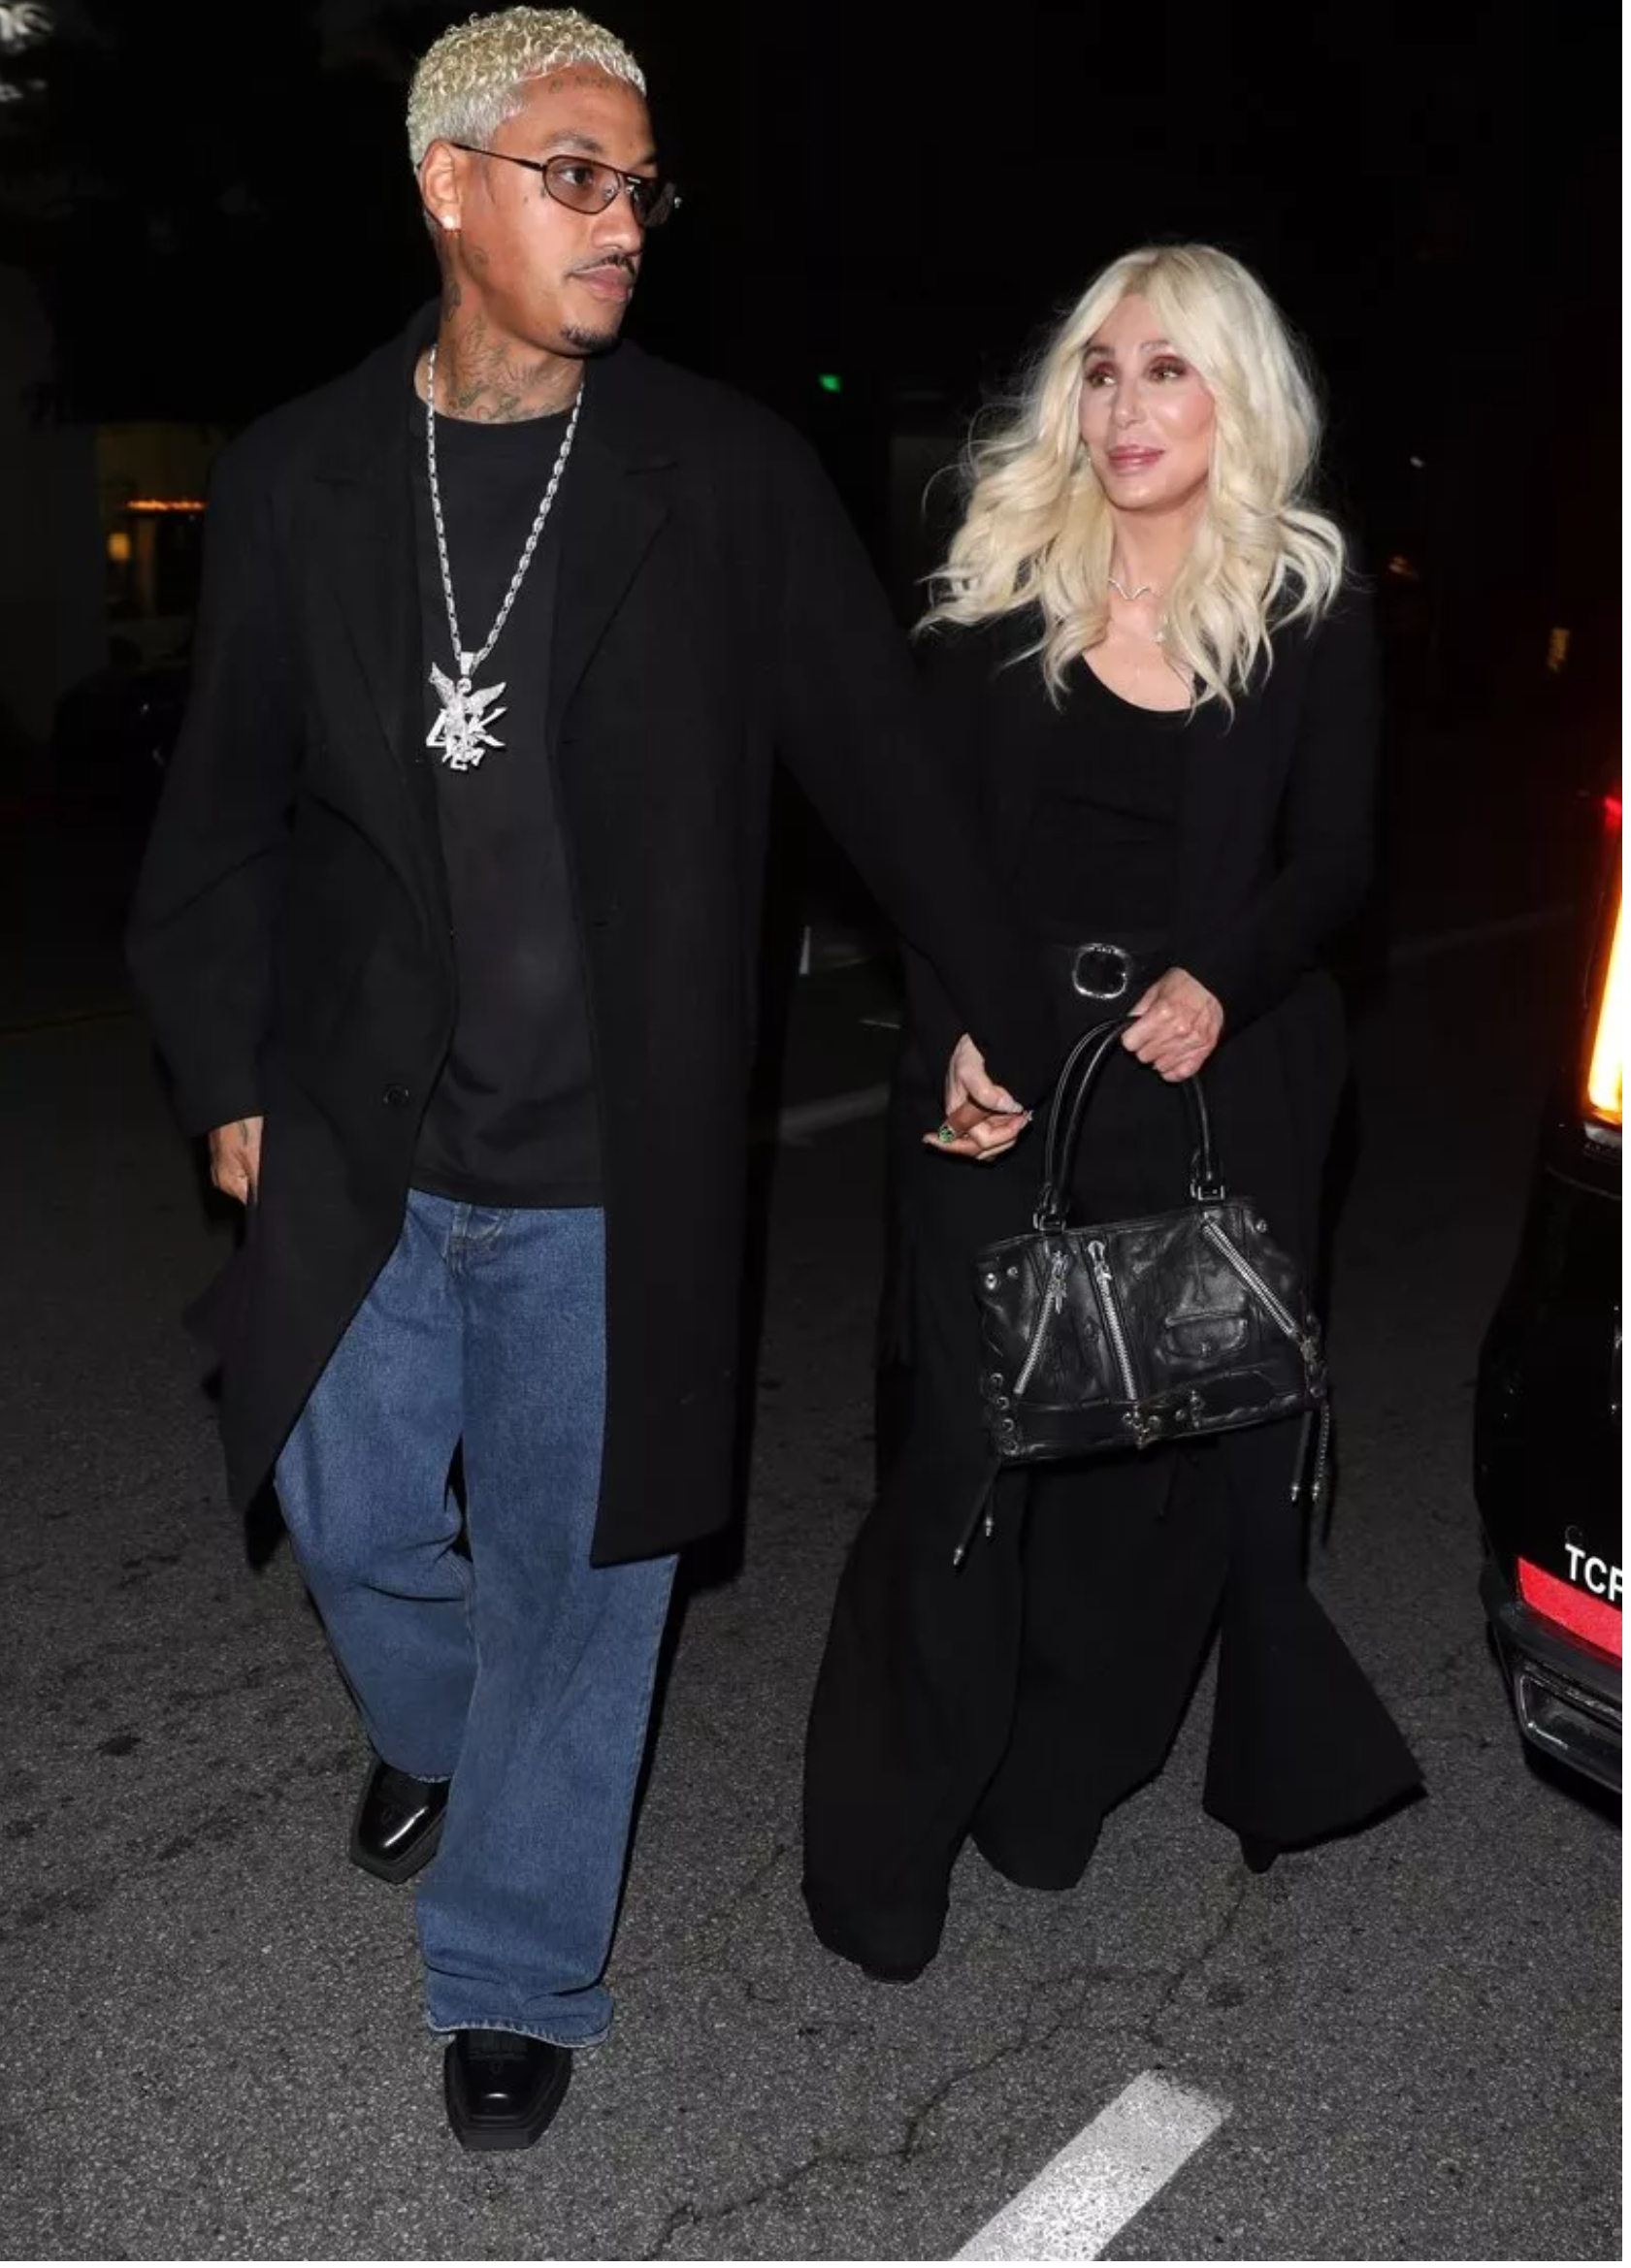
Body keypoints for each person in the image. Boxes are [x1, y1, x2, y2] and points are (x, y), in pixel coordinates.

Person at [127, 5, 1048, 2152]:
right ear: (448, 187)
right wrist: (225, 1070)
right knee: (346, 1508)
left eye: (640, 186)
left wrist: (985, 997)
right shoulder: (297, 476)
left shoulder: (720, 478)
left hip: (614, 1167)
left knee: (580, 1579)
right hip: (359, 1126)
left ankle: (515, 1959)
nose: (621, 220)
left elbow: (883, 770)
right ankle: (450, 1731)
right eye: (574, 174)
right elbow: (222, 821)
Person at [802, 243, 1423, 1984]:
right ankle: (884, 1844)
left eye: (1168, 370)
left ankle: (1057, 1775)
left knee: (1157, 1475)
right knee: (964, 1458)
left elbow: (1337, 862)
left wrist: (1226, 973)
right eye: (1100, 369)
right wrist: (953, 1039)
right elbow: (930, 859)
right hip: (1005, 1069)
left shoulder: (1307, 611)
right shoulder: (1003, 590)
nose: (1126, 405)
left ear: (1239, 398)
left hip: (1212, 1085)